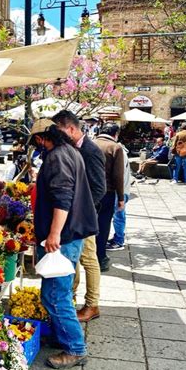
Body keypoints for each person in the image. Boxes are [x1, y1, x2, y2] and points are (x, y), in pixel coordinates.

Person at [32, 120, 98, 369]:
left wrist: (54, 234)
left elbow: (63, 198)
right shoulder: (70, 151)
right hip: (70, 234)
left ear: (42, 138)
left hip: (65, 237)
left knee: (57, 295)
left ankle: (75, 348)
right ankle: (63, 335)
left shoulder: (58, 156)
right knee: (53, 293)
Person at [52, 110, 106, 323]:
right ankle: (70, 298)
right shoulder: (73, 148)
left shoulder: (90, 150)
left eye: (60, 130)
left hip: (85, 217)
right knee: (73, 260)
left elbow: (99, 188)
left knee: (88, 259)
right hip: (75, 215)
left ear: (71, 129)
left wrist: (80, 211)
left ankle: (92, 304)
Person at [94, 123, 125, 272]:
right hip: (107, 192)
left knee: (89, 224)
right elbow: (118, 175)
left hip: (89, 192)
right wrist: (121, 197)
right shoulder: (115, 147)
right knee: (103, 225)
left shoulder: (91, 143)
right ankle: (100, 257)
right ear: (115, 134)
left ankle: (88, 256)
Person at [108, 140, 132, 251]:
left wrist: (121, 196)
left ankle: (119, 241)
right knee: (118, 216)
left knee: (118, 216)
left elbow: (119, 175)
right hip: (123, 189)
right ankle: (118, 238)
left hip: (120, 190)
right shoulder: (120, 150)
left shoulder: (119, 151)